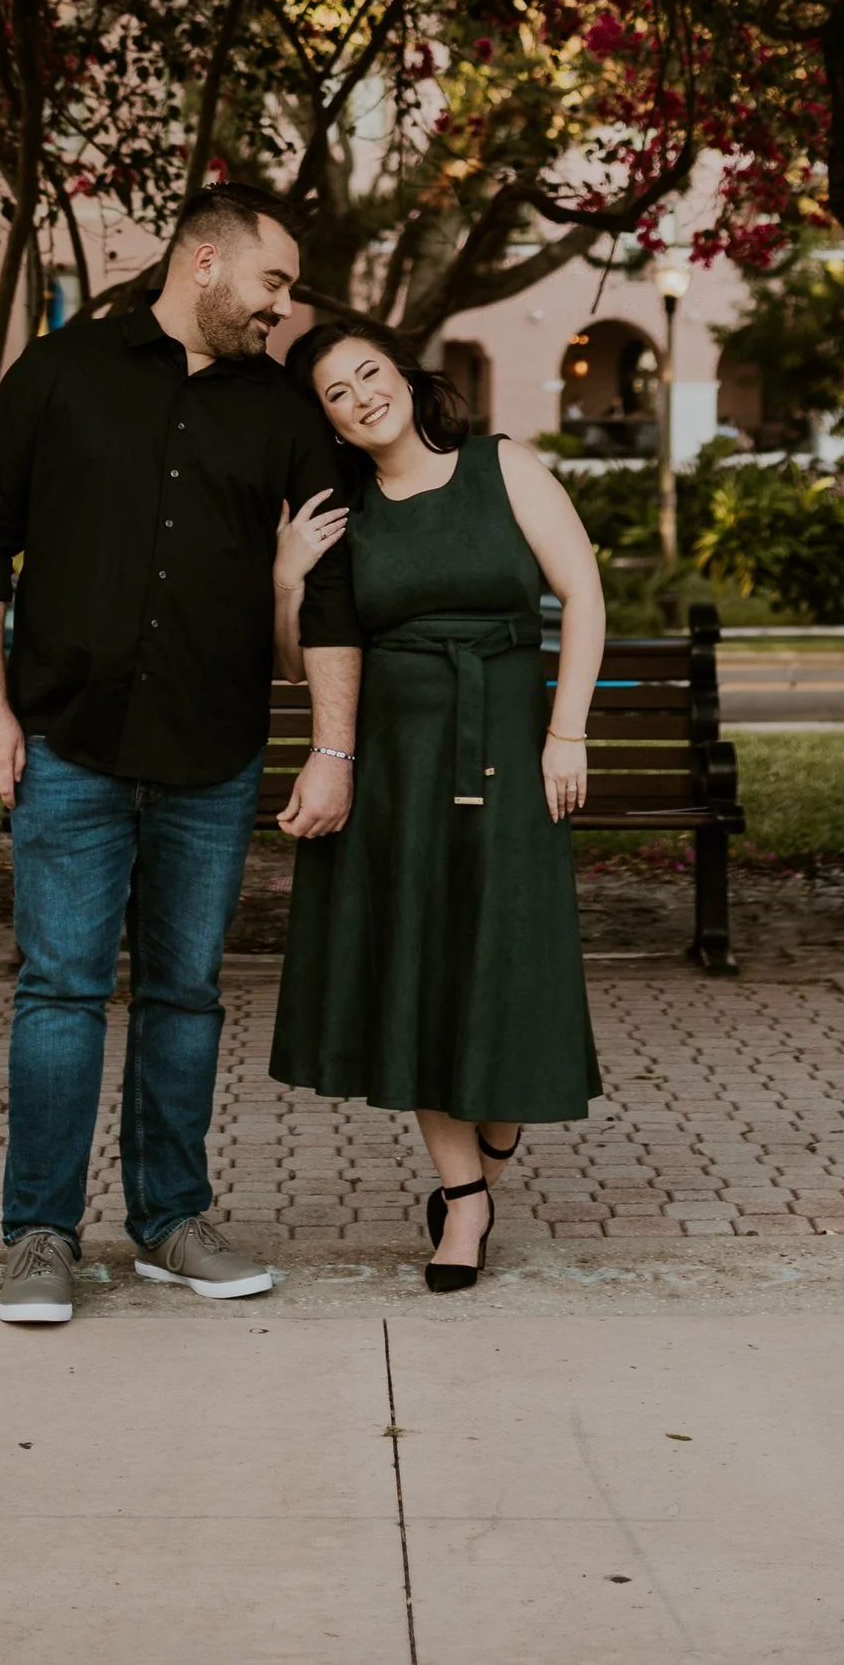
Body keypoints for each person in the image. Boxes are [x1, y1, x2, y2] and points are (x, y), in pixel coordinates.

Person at [0, 182, 362, 1328]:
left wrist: (333, 747)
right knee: (62, 992)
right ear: (204, 262)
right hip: (69, 739)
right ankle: (40, 1235)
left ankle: (173, 1221)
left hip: (212, 751)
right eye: (272, 282)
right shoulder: (60, 373)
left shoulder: (280, 413)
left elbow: (329, 591)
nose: (282, 307)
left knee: (184, 997)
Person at [269, 320, 605, 1292]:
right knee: (421, 970)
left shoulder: (505, 468)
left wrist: (566, 732)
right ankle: (462, 1206)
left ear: (405, 377)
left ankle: (489, 1152)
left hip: (510, 750)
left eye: (369, 372)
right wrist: (287, 576)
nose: (361, 395)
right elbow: (299, 664)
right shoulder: (340, 515)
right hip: (398, 768)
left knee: (506, 965)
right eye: (337, 391)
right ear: (326, 417)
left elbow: (580, 594)